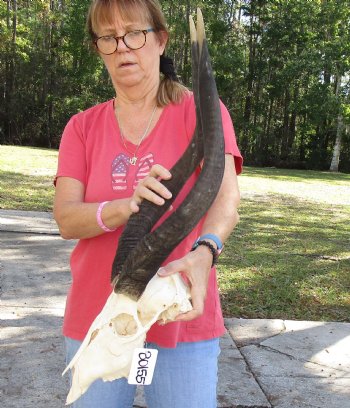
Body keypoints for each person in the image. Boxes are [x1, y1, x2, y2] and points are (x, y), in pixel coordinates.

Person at [54, 0, 242, 407]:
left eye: (135, 34)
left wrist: (206, 252)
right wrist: (127, 205)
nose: (123, 47)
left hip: (178, 313)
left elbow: (225, 198)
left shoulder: (203, 113)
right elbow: (67, 219)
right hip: (102, 318)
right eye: (109, 37)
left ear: (160, 40)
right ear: (98, 48)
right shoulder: (81, 127)